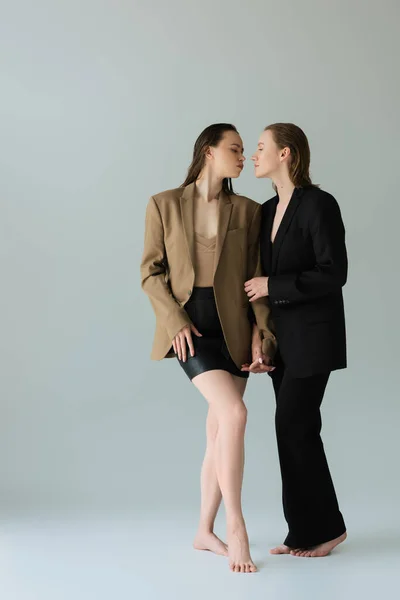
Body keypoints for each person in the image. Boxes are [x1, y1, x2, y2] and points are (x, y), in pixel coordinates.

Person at [140, 123, 276, 573]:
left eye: (245, 150)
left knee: (220, 428)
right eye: (234, 149)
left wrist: (261, 332)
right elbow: (150, 272)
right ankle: (236, 526)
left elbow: (255, 278)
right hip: (190, 327)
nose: (242, 157)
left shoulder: (249, 210)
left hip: (233, 326)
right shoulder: (163, 204)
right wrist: (175, 318)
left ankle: (203, 529)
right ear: (207, 151)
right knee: (235, 414)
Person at [242, 123, 347, 557]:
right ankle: (302, 531)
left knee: (293, 425)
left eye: (262, 147)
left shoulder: (319, 204)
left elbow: (334, 272)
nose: (254, 154)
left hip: (314, 338)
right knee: (295, 431)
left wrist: (273, 284)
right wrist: (262, 339)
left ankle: (328, 529)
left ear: (286, 154)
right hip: (282, 341)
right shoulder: (266, 211)